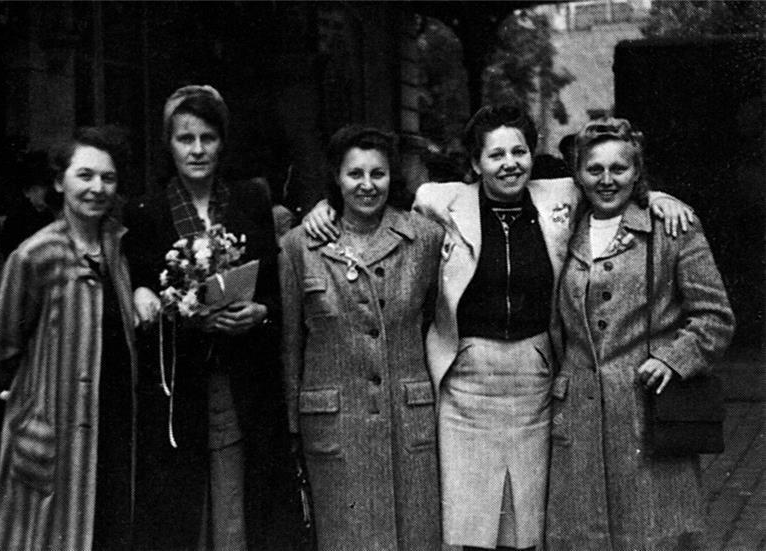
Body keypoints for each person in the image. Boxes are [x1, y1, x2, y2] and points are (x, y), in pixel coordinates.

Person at [303, 105, 693, 551]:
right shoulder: (439, 202)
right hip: (466, 384)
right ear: (474, 164)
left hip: (535, 380)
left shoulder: (561, 196)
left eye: (519, 151)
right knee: (469, 525)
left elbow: (612, 181)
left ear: (532, 155)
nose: (510, 163)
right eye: (495, 155)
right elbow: (373, 207)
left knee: (526, 524)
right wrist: (325, 206)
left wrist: (657, 197)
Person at [545, 118, 735, 551]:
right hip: (577, 418)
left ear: (637, 172)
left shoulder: (673, 229)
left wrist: (675, 357)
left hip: (646, 412)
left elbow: (715, 316)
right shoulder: (561, 229)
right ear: (578, 174)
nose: (607, 180)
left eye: (620, 168)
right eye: (595, 169)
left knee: (654, 536)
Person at [124, 84, 292, 550]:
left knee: (243, 501)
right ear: (169, 144)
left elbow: (277, 293)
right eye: (185, 138)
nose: (197, 150)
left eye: (208, 138)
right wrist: (164, 303)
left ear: (222, 141)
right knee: (183, 509)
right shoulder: (147, 212)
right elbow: (138, 287)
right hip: (183, 385)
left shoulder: (250, 201)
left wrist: (259, 313)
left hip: (245, 380)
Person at [280, 125, 444, 550]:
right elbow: (290, 344)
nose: (368, 186)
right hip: (335, 423)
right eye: (356, 174)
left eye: (379, 174)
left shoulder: (423, 237)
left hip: (407, 420)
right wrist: (293, 425)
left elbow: (440, 322)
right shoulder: (301, 245)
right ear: (336, 176)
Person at [0, 127, 137, 550]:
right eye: (84, 176)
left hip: (114, 429)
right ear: (58, 181)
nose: (97, 188)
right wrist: (32, 403)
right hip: (56, 432)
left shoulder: (118, 250)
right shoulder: (36, 255)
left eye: (108, 178)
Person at [0, 151, 58, 259]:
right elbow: (9, 251)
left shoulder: (50, 216)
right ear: (27, 192)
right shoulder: (17, 218)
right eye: (36, 189)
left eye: (45, 188)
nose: (43, 193)